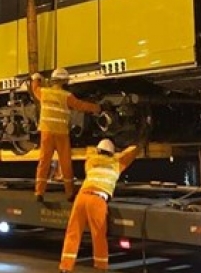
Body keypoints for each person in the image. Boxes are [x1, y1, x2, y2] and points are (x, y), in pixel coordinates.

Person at [58, 139, 139, 273]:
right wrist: (139, 144)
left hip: (81, 198)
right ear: (112, 153)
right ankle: (101, 267)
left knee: (73, 233)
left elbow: (90, 151)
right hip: (97, 200)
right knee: (98, 235)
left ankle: (65, 267)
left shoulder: (90, 162)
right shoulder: (116, 163)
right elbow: (129, 154)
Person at [31, 68, 102, 202]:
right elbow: (81, 106)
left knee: (44, 162)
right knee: (65, 163)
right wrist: (97, 108)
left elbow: (35, 89)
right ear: (64, 81)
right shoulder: (67, 96)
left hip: (46, 132)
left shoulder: (44, 92)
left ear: (53, 80)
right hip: (61, 134)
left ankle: (39, 192)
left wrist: (36, 78)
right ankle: (69, 193)